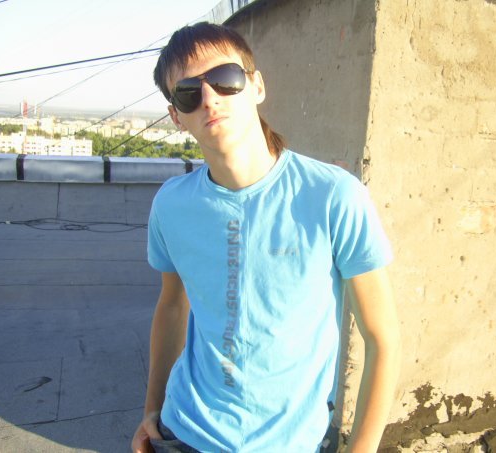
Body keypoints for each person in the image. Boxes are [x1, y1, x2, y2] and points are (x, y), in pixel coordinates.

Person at [131, 21, 400, 453]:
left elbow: (382, 338)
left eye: (225, 79)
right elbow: (172, 305)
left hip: (293, 442)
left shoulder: (332, 195)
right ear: (176, 116)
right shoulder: (171, 204)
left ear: (256, 85)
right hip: (184, 433)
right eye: (188, 92)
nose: (210, 98)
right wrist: (152, 409)